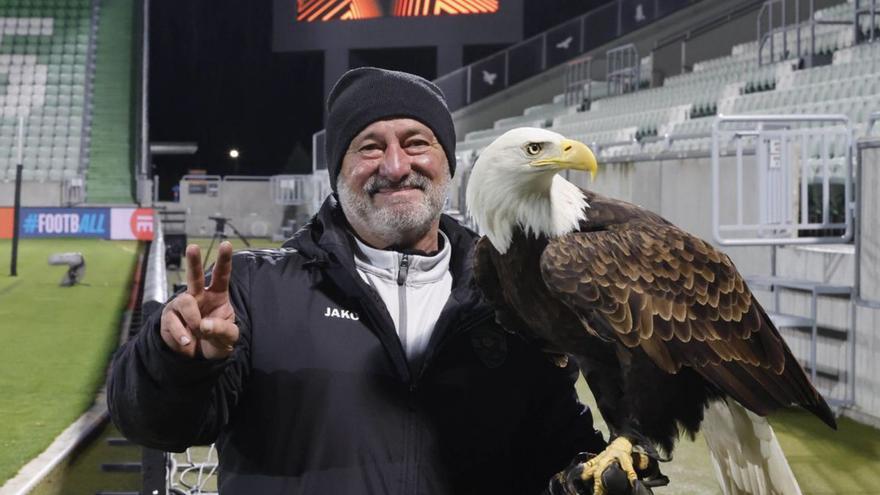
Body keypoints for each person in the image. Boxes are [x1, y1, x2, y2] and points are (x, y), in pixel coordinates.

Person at [107, 67, 607, 494]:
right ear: (338, 172)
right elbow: (154, 425)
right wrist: (177, 362)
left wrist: (599, 472)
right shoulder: (253, 290)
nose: (396, 166)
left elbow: (556, 444)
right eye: (369, 147)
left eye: (416, 143)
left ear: (447, 164)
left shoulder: (512, 299)